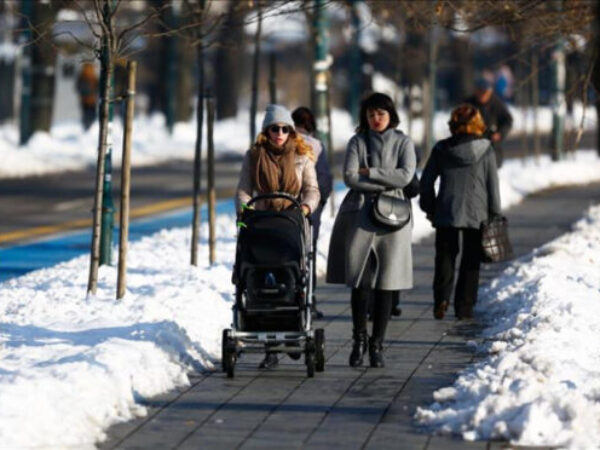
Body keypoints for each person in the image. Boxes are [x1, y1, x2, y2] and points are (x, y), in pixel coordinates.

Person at [327, 92, 416, 368]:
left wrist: (371, 172)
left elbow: (406, 176)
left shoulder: (404, 142)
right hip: (361, 214)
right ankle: (359, 340)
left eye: (381, 114)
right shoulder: (357, 141)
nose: (375, 119)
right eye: (370, 114)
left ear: (391, 115)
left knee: (387, 285)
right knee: (360, 282)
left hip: (393, 217)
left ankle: (378, 344)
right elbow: (350, 177)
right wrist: (384, 181)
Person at [236, 104, 320, 369]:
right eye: (275, 128)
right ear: (266, 131)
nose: (280, 133)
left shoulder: (302, 156)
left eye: (285, 129)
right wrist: (246, 210)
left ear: (292, 131)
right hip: (261, 225)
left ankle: (294, 328)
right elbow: (243, 191)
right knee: (259, 281)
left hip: (290, 224)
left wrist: (305, 207)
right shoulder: (253, 157)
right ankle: (270, 348)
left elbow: (312, 190)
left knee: (292, 279)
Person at [419, 104, 501, 321]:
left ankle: (441, 299)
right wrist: (495, 214)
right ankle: (464, 306)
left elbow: (426, 183)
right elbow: (492, 186)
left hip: (447, 210)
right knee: (471, 260)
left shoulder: (441, 149)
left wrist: (431, 208)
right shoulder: (486, 149)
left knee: (445, 257)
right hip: (477, 212)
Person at [291, 106, 333, 320]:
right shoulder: (315, 146)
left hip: (282, 212)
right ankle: (309, 297)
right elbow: (324, 182)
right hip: (308, 209)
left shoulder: (280, 140)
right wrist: (317, 205)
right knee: (308, 254)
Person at [465, 76, 513, 168]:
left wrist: (500, 133)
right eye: (481, 92)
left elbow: (507, 120)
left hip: (492, 148)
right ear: (476, 91)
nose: (483, 95)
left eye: (486, 93)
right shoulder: (468, 104)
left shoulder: (495, 103)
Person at [76, 62, 98, 131]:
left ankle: (87, 128)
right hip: (88, 100)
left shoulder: (84, 77)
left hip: (88, 100)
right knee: (90, 115)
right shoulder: (88, 77)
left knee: (89, 115)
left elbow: (78, 87)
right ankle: (88, 128)